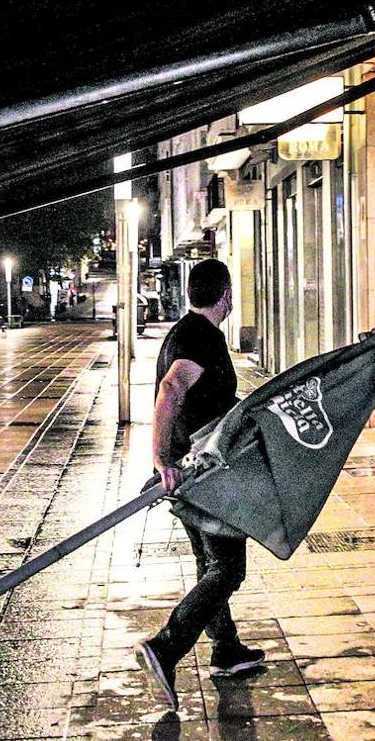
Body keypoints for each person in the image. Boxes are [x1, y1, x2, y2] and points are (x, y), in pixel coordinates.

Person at [136, 259, 263, 712]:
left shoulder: (185, 331)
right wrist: (160, 457)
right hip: (205, 475)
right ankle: (166, 648)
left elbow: (194, 396)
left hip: (194, 470)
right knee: (228, 569)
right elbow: (171, 391)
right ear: (225, 295)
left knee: (208, 562)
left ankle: (226, 648)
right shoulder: (199, 338)